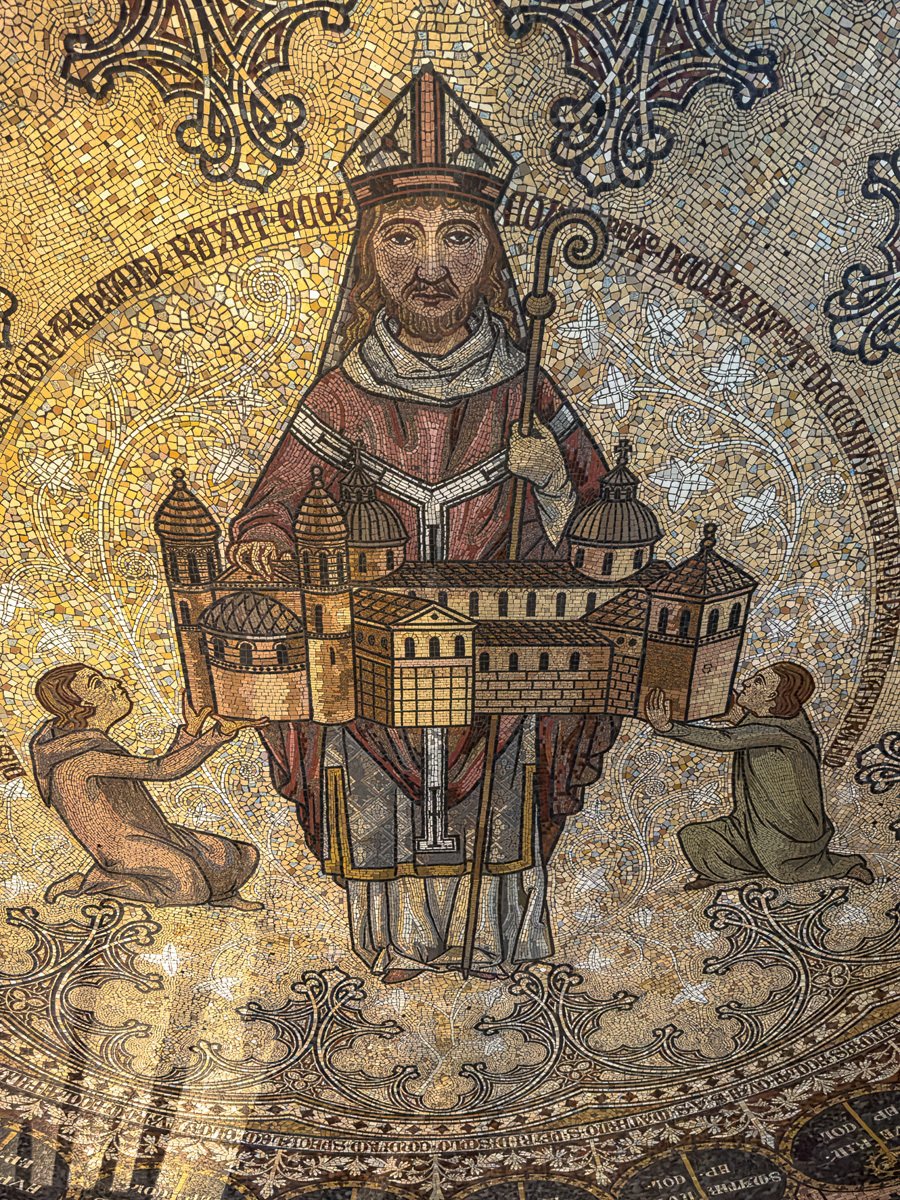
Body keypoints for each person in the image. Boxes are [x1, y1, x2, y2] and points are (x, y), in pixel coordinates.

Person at [227, 68, 619, 981]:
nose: (432, 266)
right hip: (373, 660)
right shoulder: (343, 394)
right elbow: (272, 506)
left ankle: (492, 940)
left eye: (458, 237)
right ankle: (397, 941)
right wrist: (263, 545)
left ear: (490, 252)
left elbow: (606, 526)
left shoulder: (525, 387)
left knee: (500, 786)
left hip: (497, 658)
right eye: (402, 237)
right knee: (374, 782)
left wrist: (551, 486)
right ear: (369, 254)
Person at [30, 662, 265, 910]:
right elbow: (161, 769)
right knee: (189, 887)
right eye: (97, 684)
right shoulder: (80, 759)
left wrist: (191, 730)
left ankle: (220, 895)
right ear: (83, 705)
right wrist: (218, 734)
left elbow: (160, 766)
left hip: (153, 832)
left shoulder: (89, 744)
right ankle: (94, 882)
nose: (114, 683)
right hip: (124, 848)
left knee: (240, 857)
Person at [644, 663, 874, 890]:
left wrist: (668, 728)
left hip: (786, 829)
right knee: (694, 837)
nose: (746, 683)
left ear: (772, 696)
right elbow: (752, 730)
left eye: (758, 681)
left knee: (783, 867)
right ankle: (746, 869)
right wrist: (737, 717)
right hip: (751, 824)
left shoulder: (783, 731)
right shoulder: (771, 718)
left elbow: (729, 739)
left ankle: (844, 866)